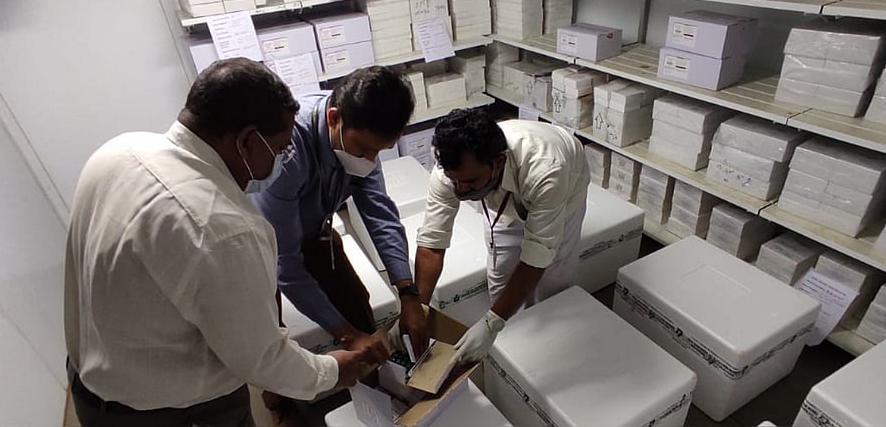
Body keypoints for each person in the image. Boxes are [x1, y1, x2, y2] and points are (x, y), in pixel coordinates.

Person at [64, 58, 371, 427]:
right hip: (172, 412)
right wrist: (333, 370)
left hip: (92, 384)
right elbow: (261, 359)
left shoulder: (120, 150)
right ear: (245, 141)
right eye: (279, 150)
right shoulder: (223, 229)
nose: (282, 161)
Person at [249, 66, 428, 420]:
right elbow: (285, 262)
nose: (370, 161)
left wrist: (408, 294)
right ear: (334, 118)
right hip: (260, 242)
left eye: (380, 151)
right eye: (364, 149)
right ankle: (281, 402)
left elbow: (380, 214)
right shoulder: (286, 152)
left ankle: (377, 394)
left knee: (358, 308)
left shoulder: (363, 140)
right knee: (269, 333)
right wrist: (345, 334)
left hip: (316, 229)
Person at [414, 109, 591, 364]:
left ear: (498, 162)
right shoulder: (450, 172)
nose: (462, 191)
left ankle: (552, 348)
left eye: (471, 181)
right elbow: (433, 242)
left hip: (562, 192)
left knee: (553, 276)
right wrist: (418, 306)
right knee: (500, 272)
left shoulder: (547, 169)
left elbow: (537, 255)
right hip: (507, 196)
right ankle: (513, 353)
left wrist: (490, 322)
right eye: (456, 182)